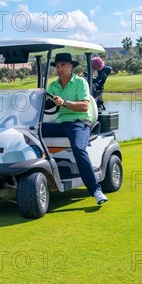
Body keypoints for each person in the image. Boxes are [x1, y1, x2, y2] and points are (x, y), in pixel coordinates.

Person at [42, 53, 108, 205]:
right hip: (61, 124)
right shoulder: (53, 86)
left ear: (71, 66)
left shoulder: (80, 82)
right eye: (57, 66)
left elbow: (84, 105)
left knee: (78, 149)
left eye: (63, 65)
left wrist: (64, 102)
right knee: (31, 133)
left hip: (79, 122)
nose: (59, 69)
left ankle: (96, 190)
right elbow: (47, 104)